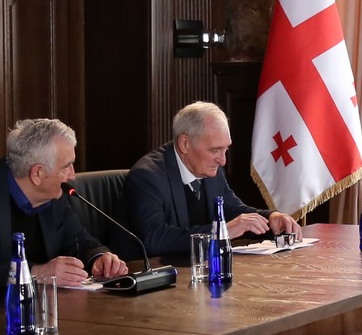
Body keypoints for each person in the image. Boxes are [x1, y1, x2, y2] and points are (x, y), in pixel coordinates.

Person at [0, 117, 127, 288]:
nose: (72, 175)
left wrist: (99, 258)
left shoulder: (54, 193)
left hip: (44, 303)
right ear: (37, 173)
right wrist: (35, 272)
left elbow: (79, 241)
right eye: (66, 167)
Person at [127, 102, 299, 261]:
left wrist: (271, 218)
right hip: (150, 275)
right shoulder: (147, 176)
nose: (223, 161)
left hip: (198, 269)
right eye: (215, 150)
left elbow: (232, 211)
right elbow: (154, 238)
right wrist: (220, 232)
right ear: (185, 144)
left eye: (225, 149)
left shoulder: (210, 169)